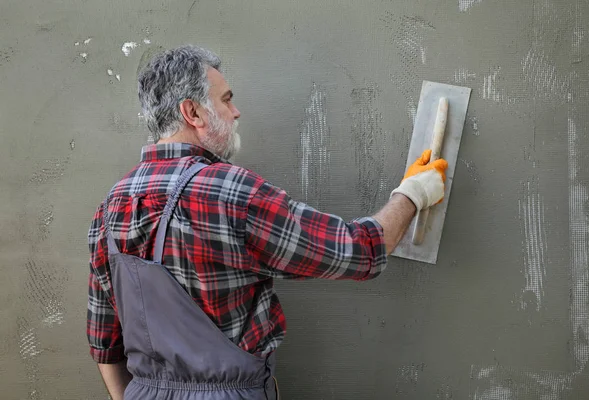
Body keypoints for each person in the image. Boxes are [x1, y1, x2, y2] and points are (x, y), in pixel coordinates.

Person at [86, 45, 448, 400]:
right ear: (192, 112)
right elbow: (360, 250)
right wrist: (413, 194)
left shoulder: (109, 207)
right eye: (226, 100)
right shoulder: (231, 191)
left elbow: (104, 345)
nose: (236, 112)